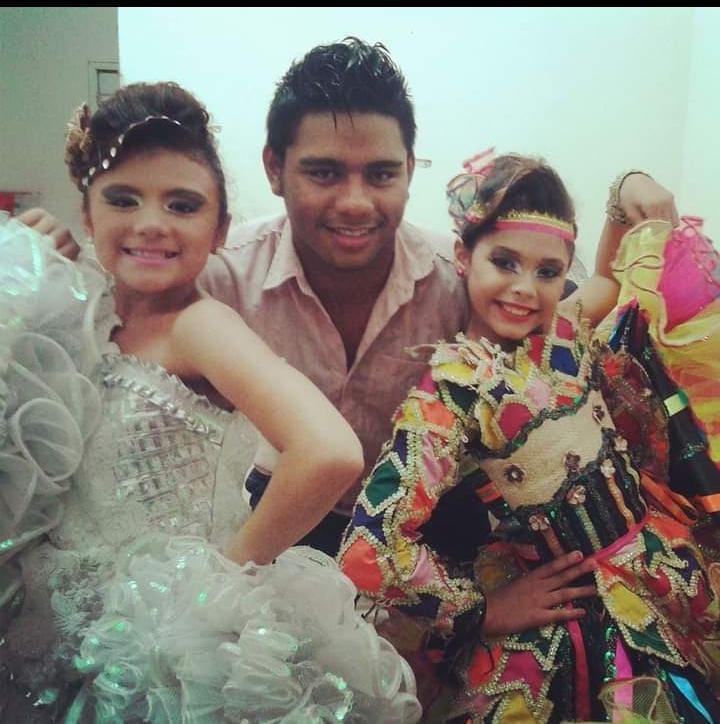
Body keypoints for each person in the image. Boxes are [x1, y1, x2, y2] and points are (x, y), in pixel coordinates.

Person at [18, 38, 679, 559]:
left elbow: (576, 302)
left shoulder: (459, 282)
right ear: (274, 168)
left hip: (425, 548)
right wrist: (51, 261)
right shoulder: (219, 276)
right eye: (325, 172)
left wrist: (626, 190)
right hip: (276, 535)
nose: (356, 202)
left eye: (381, 174)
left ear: (410, 170)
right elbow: (122, 313)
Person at [0, 82, 422, 722]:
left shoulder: (197, 325)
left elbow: (328, 451)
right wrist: (34, 266)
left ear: (219, 228)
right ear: (87, 214)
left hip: (170, 646)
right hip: (71, 619)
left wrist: (217, 585)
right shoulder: (89, 312)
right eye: (122, 199)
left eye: (183, 204)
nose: (151, 222)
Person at [338, 152, 720, 722]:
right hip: (573, 628)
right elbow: (368, 549)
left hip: (663, 575)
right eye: (505, 262)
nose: (524, 289)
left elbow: (607, 278)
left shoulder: (563, 330)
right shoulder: (454, 389)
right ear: (463, 256)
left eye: (547, 272)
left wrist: (627, 185)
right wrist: (481, 610)